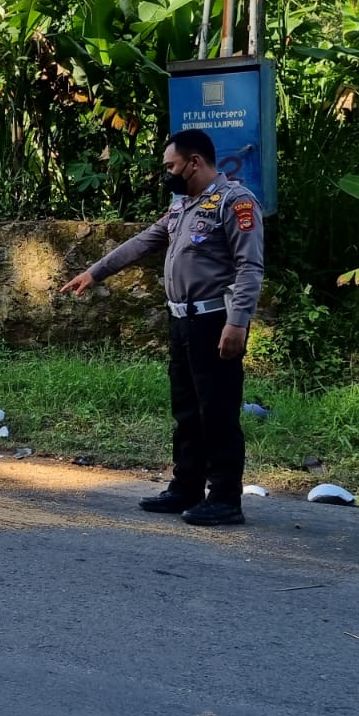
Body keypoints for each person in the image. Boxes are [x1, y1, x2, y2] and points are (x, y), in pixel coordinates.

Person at [60, 129, 265, 526]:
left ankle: (225, 497)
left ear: (195, 162)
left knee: (217, 411)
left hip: (214, 321)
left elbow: (249, 266)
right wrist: (94, 272)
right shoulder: (183, 206)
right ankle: (186, 487)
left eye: (171, 166)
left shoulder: (235, 202)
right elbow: (143, 242)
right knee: (187, 410)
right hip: (181, 321)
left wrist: (237, 322)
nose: (167, 173)